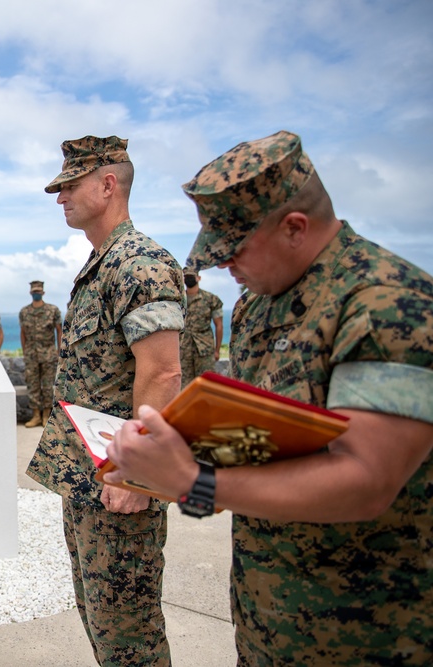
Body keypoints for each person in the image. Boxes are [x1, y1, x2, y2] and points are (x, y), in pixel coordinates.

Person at [105, 130, 433, 666]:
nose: (221, 266)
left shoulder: (387, 304)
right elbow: (260, 436)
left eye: (233, 249)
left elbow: (368, 480)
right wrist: (160, 458)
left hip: (369, 633)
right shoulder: (259, 307)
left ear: (295, 228)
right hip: (267, 619)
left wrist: (195, 482)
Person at [25, 135, 184, 666]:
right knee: (101, 620)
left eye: (69, 185)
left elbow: (163, 372)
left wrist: (137, 477)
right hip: (91, 478)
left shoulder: (139, 263)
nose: (60, 197)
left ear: (108, 184)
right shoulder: (102, 264)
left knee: (129, 636)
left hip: (120, 482)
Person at [19, 280, 62, 428]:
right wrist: (25, 351)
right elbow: (23, 333)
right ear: (31, 293)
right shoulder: (24, 312)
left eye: (39, 292)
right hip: (31, 355)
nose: (36, 294)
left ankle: (46, 415)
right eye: (34, 292)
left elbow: (59, 330)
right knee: (33, 385)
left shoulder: (53, 310)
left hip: (48, 354)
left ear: (42, 293)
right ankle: (36, 415)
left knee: (48, 386)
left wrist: (59, 350)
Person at [179, 268, 224, 386]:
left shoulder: (211, 299)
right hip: (183, 351)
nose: (188, 279)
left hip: (204, 349)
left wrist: (217, 350)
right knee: (184, 387)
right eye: (186, 277)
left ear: (198, 278)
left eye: (191, 276)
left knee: (207, 384)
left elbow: (219, 325)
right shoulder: (178, 300)